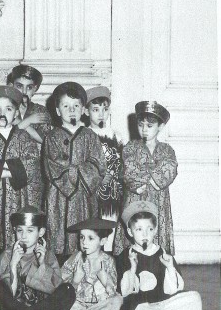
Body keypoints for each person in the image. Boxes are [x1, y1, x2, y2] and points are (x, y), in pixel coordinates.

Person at [0, 86, 42, 265]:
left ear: (16, 113)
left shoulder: (23, 137)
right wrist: (12, 167)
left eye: (8, 109)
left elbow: (32, 164)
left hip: (16, 198)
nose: (2, 113)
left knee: (16, 243)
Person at [42, 82, 106, 261]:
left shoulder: (90, 136)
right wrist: (74, 174)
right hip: (58, 196)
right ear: (57, 111)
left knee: (84, 233)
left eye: (76, 106)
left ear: (83, 109)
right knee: (57, 232)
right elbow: (51, 165)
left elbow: (98, 164)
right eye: (66, 106)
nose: (71, 110)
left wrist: (77, 175)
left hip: (84, 196)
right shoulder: (51, 137)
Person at [0, 206, 76, 310]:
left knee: (68, 290)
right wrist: (13, 264)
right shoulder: (7, 255)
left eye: (30, 231)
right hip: (17, 308)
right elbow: (9, 295)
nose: (23, 236)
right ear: (15, 231)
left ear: (40, 232)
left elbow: (56, 288)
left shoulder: (48, 255)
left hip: (42, 305)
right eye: (20, 230)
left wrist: (42, 264)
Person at [116, 201, 201, 310]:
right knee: (123, 305)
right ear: (130, 231)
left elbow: (174, 291)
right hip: (139, 306)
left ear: (155, 230)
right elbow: (124, 292)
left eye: (149, 229)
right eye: (139, 229)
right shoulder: (125, 256)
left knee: (194, 298)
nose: (145, 234)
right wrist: (132, 269)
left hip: (162, 303)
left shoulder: (162, 253)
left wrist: (170, 267)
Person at [114, 101, 177, 255]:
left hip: (158, 199)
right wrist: (153, 173)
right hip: (135, 198)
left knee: (154, 230)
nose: (144, 130)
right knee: (134, 229)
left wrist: (146, 174)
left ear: (160, 127)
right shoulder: (130, 147)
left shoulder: (167, 150)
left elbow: (170, 168)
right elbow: (128, 170)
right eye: (140, 125)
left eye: (149, 126)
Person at [59, 217, 123, 310]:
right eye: (82, 237)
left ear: (102, 241)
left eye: (90, 238)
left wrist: (105, 281)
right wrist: (75, 280)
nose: (84, 242)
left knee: (117, 300)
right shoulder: (75, 259)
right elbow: (61, 285)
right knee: (61, 302)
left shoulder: (108, 261)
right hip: (78, 304)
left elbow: (112, 291)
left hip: (100, 304)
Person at [85, 86, 124, 251]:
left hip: (112, 192)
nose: (101, 114)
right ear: (86, 112)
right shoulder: (84, 135)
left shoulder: (116, 135)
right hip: (92, 191)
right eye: (95, 109)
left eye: (105, 109)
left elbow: (123, 162)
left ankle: (108, 261)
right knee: (92, 228)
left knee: (110, 228)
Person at [7, 64, 51, 144]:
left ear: (35, 89)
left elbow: (45, 141)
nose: (24, 91)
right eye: (19, 86)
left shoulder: (41, 111)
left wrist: (18, 122)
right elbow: (6, 138)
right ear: (11, 86)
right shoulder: (5, 109)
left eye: (29, 87)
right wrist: (29, 121)